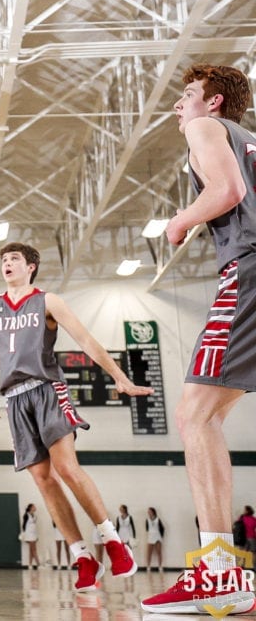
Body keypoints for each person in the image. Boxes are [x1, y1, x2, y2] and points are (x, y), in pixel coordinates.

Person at [143, 64, 256, 615]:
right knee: (205, 414)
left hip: (249, 271)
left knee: (195, 415)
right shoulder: (250, 141)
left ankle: (218, 572)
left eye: (186, 96)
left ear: (213, 104)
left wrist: (181, 218)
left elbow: (228, 190)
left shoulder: (207, 130)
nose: (177, 107)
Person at [0, 242, 151, 592]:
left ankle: (113, 541)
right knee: (42, 478)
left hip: (47, 388)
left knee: (67, 467)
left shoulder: (48, 301)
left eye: (14, 259)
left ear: (31, 266)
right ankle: (82, 555)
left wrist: (119, 377)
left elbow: (85, 339)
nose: (7, 264)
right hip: (14, 398)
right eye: (4, 260)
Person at [145, 507, 165, 573]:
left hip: (157, 537)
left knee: (159, 552)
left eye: (150, 511)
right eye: (148, 512)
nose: (148, 513)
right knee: (149, 553)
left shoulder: (158, 519)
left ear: (153, 512)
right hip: (150, 537)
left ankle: (160, 566)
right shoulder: (147, 520)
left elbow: (162, 528)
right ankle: (148, 566)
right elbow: (147, 529)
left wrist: (161, 536)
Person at [22, 504, 40, 569]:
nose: (35, 507)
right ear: (30, 508)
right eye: (34, 507)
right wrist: (25, 534)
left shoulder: (35, 516)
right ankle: (39, 564)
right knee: (34, 550)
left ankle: (30, 565)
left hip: (34, 535)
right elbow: (24, 525)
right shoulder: (26, 515)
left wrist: (36, 535)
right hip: (29, 535)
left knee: (31, 550)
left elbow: (34, 527)